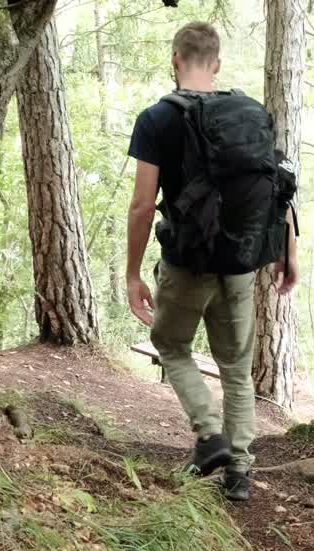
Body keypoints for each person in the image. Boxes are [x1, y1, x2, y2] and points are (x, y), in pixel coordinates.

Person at [124, 21, 298, 502]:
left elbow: (142, 206)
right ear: (216, 63)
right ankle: (239, 471)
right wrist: (286, 253)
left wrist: (133, 272)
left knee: (171, 344)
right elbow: (278, 191)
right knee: (237, 367)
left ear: (175, 59)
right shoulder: (251, 113)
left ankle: (209, 437)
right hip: (241, 262)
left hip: (186, 262)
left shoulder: (156, 119)